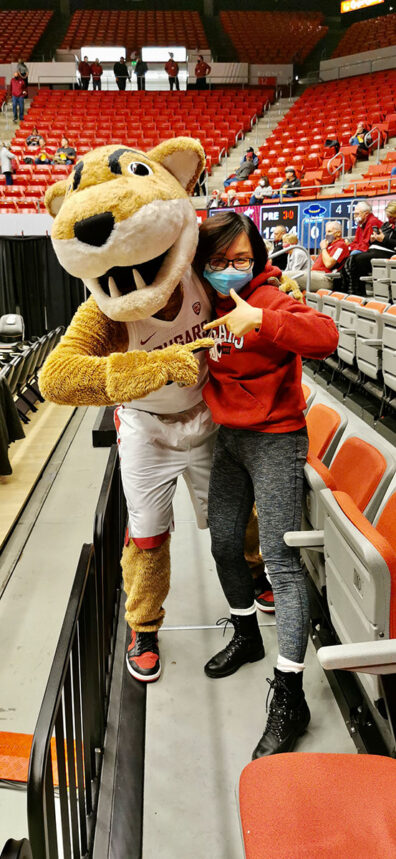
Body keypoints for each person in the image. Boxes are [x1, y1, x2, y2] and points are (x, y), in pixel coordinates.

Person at [193, 211, 338, 757]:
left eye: (240, 260)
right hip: (228, 438)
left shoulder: (270, 297)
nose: (230, 270)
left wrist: (262, 320)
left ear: (255, 257)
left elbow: (325, 337)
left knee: (280, 561)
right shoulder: (200, 298)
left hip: (276, 438)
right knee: (225, 543)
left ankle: (290, 693)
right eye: (218, 262)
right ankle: (248, 635)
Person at [347, 201, 396, 294]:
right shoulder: (386, 225)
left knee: (356, 258)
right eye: (388, 216)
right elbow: (366, 241)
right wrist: (373, 239)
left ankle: (357, 291)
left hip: (389, 252)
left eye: (392, 217)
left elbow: (390, 242)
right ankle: (352, 290)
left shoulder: (372, 221)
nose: (389, 219)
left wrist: (384, 239)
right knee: (352, 259)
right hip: (375, 249)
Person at [341, 201, 382, 294]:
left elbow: (366, 245)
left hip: (372, 250)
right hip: (363, 250)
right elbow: (356, 241)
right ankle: (348, 287)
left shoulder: (372, 222)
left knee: (353, 256)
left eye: (357, 214)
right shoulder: (361, 223)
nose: (355, 216)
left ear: (366, 214)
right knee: (347, 254)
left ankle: (355, 289)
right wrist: (348, 247)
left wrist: (351, 248)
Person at [298, 220, 349, 292]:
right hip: (314, 274)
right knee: (288, 277)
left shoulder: (341, 246)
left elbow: (329, 264)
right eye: (326, 232)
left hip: (325, 277)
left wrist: (323, 248)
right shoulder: (328, 245)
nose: (326, 235)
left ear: (338, 233)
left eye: (329, 231)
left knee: (289, 277)